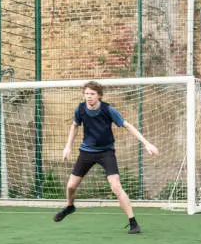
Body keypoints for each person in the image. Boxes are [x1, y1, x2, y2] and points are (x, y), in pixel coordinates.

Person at [53, 81, 159, 234]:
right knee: (70, 186)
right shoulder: (80, 109)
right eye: (86, 94)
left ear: (99, 96)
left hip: (106, 152)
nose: (88, 97)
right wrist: (67, 146)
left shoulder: (108, 110)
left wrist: (147, 143)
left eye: (92, 94)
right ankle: (70, 207)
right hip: (86, 152)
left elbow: (127, 126)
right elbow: (75, 126)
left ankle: (133, 223)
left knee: (116, 187)